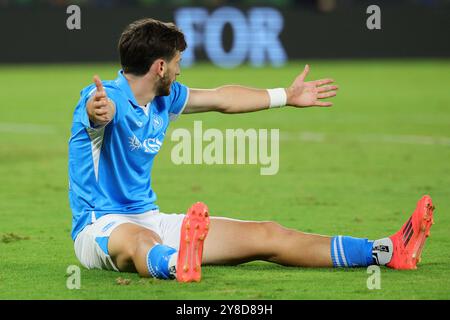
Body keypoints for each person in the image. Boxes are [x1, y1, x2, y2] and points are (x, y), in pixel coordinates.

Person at [68, 18, 435, 282]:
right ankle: (179, 264)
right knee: (140, 241)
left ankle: (386, 250)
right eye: (178, 63)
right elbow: (97, 114)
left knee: (267, 234)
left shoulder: (165, 98)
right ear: (160, 67)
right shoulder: (106, 96)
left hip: (150, 217)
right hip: (99, 225)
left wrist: (285, 97)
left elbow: (222, 98)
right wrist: (97, 113)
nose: (180, 71)